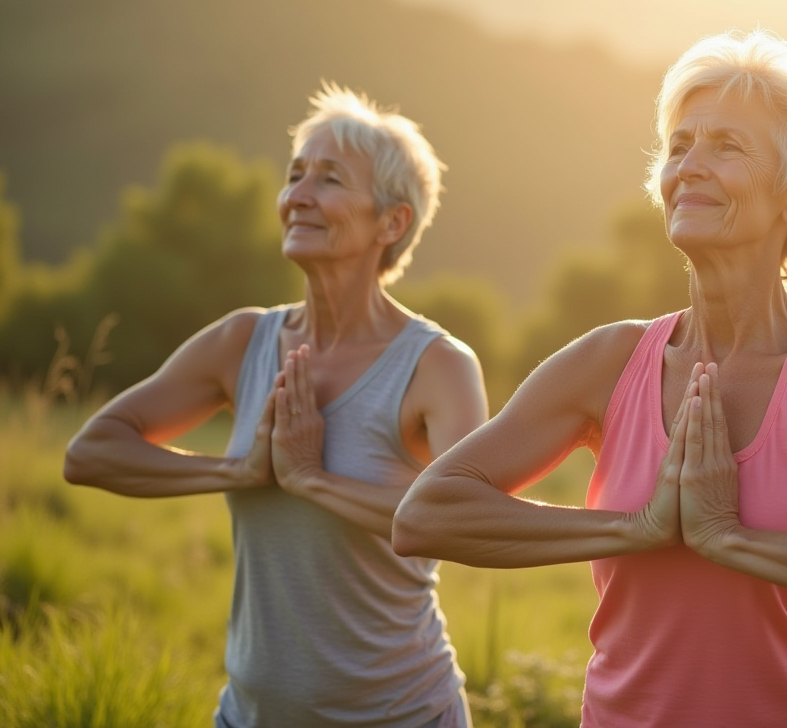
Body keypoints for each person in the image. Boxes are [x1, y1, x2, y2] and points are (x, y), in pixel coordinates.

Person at [393, 31, 787, 727]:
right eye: (680, 147)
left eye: (727, 148)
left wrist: (729, 539)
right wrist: (638, 527)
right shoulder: (609, 362)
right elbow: (427, 514)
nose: (690, 167)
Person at [65, 84, 487, 728]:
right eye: (295, 176)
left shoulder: (438, 366)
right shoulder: (243, 342)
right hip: (250, 715)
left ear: (392, 222)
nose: (298, 196)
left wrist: (314, 481)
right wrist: (235, 472)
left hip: (402, 714)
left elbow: (463, 522)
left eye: (329, 179)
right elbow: (91, 453)